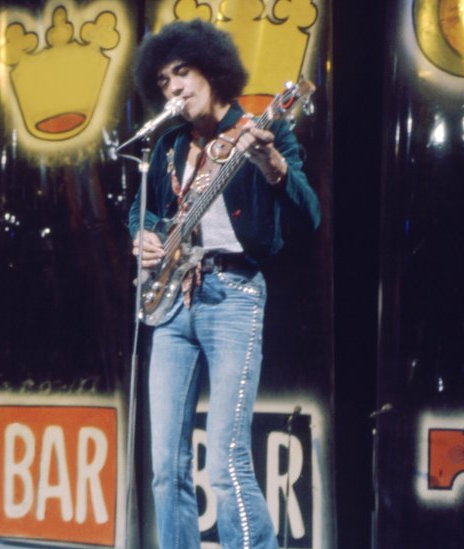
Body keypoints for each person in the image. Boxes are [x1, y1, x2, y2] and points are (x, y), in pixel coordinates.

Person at [128, 20, 321, 549]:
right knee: (166, 467)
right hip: (172, 305)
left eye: (182, 73)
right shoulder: (167, 145)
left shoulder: (262, 129)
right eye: (163, 80)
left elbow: (309, 215)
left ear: (212, 71)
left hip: (233, 297)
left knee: (225, 461)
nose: (174, 87)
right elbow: (140, 211)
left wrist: (272, 164)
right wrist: (143, 236)